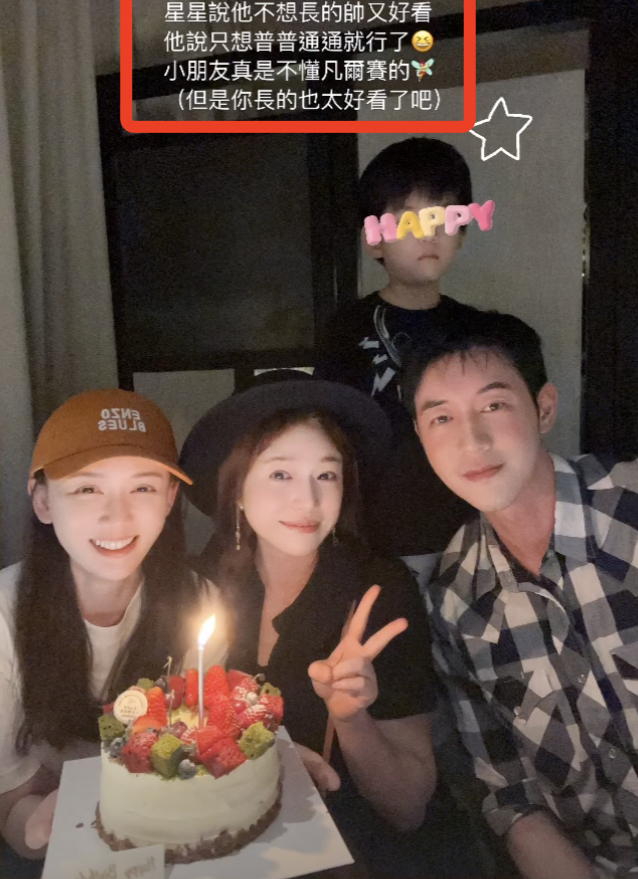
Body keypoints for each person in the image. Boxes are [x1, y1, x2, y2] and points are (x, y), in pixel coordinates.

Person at [403, 308, 638, 879]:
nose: (471, 441)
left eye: (493, 406)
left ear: (544, 408)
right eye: (441, 418)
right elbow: (510, 796)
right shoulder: (455, 602)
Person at [179, 375, 482, 878]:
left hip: (353, 854)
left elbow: (408, 809)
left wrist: (351, 717)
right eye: (280, 474)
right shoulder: (204, 585)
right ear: (237, 491)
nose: (308, 500)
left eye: (326, 474)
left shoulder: (378, 593)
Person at [0, 389, 226, 869]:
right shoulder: (4, 616)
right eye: (87, 489)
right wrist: (43, 825)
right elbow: (10, 805)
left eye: (143, 488)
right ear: (42, 500)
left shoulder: (200, 603)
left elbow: (197, 749)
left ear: (170, 499)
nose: (117, 516)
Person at [313, 137, 478, 591]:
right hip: (374, 532)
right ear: (374, 241)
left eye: (444, 218)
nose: (428, 234)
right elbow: (328, 431)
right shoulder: (346, 328)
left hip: (465, 528)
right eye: (408, 220)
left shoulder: (477, 333)